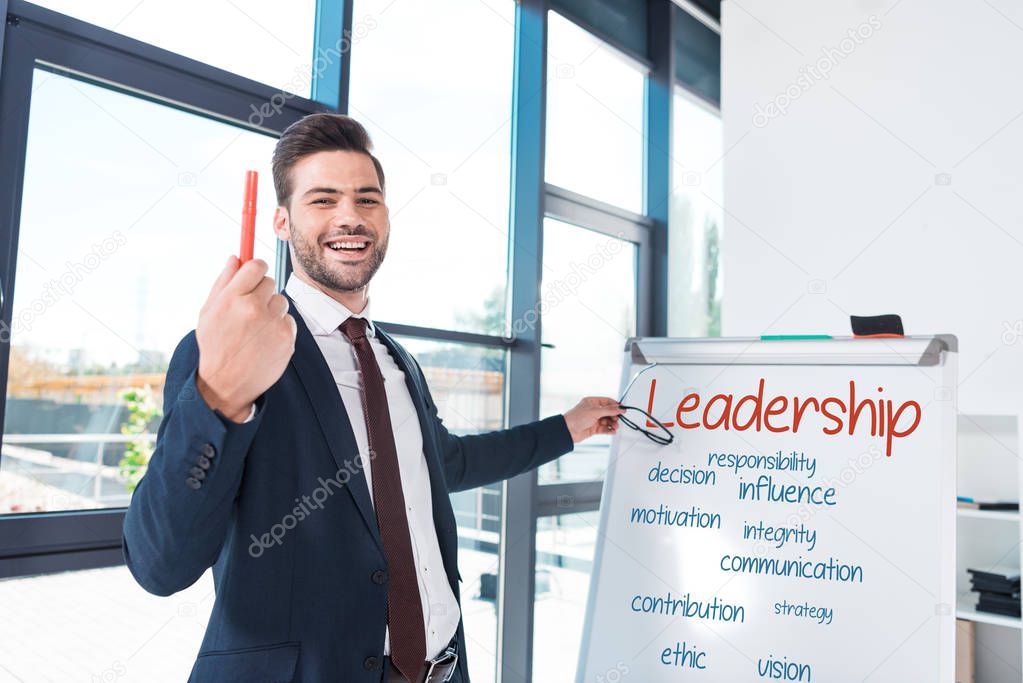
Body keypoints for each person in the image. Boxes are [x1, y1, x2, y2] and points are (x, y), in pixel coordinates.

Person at [122, 113, 626, 683]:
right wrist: (218, 397)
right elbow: (160, 563)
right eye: (323, 200)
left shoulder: (397, 362)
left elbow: (449, 461)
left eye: (367, 199)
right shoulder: (229, 349)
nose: (349, 217)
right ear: (282, 222)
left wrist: (569, 426)